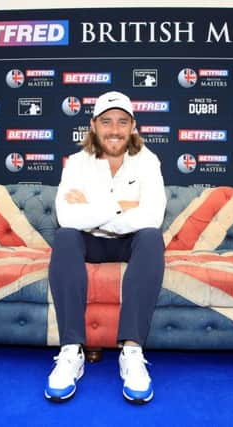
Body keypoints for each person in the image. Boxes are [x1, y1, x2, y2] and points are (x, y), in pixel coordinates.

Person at [45, 91, 167, 404]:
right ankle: (71, 350)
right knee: (65, 236)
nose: (114, 129)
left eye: (122, 122)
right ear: (94, 125)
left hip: (131, 243)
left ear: (133, 126)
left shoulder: (148, 161)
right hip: (88, 242)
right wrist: (122, 207)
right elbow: (67, 216)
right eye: (107, 122)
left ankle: (132, 351)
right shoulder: (76, 163)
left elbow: (152, 217)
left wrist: (94, 208)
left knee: (152, 238)